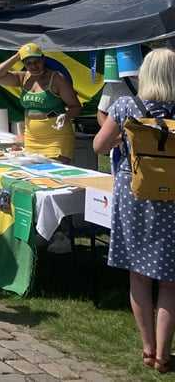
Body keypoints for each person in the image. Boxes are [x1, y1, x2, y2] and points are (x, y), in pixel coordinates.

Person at [92, 47, 175, 373]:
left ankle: (147, 349)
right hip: (173, 196)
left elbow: (99, 146)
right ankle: (164, 355)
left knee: (138, 276)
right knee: (171, 282)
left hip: (134, 194)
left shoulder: (126, 106)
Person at [0, 43, 81, 162]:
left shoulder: (57, 78)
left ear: (43, 59)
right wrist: (17, 56)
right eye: (28, 63)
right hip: (31, 137)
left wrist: (66, 115)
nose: (34, 66)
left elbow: (76, 107)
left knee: (54, 174)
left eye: (37, 61)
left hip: (56, 138)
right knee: (32, 175)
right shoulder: (23, 78)